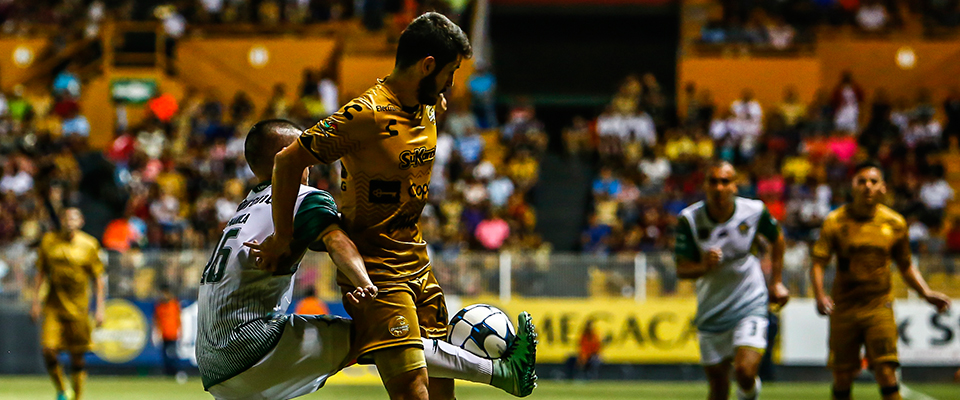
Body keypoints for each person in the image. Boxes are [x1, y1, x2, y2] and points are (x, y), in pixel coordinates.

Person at [248, 13, 495, 400]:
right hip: (377, 269)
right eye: (450, 72)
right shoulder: (366, 114)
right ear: (427, 66)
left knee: (444, 394)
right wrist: (283, 235)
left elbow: (429, 104)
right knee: (413, 392)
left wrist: (436, 96)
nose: (451, 83)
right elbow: (287, 161)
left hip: (418, 261)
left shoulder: (425, 102)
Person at [199, 120, 537, 400]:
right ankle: (502, 373)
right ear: (284, 158)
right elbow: (336, 241)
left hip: (212, 367)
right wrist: (365, 282)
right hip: (249, 347)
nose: (310, 159)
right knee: (387, 336)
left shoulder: (242, 209)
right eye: (300, 150)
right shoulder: (300, 197)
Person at [810, 161, 951, 400]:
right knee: (843, 375)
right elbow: (818, 262)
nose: (867, 186)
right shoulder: (835, 221)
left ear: (883, 188)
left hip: (879, 307)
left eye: (873, 182)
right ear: (852, 186)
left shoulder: (895, 223)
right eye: (861, 181)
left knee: (886, 372)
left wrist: (925, 293)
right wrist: (820, 295)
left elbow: (906, 265)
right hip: (844, 308)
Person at [675, 161, 789, 400]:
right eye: (713, 181)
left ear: (735, 186)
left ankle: (749, 391)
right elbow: (682, 270)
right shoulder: (689, 220)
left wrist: (776, 281)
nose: (719, 187)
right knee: (718, 388)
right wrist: (704, 266)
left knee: (744, 371)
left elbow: (777, 240)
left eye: (725, 181)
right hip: (711, 309)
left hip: (750, 302)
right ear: (705, 186)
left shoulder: (755, 211)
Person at [30, 208, 106, 400]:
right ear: (61, 220)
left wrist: (100, 308)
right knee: (48, 349)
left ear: (81, 221)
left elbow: (97, 278)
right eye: (66, 217)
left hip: (79, 308)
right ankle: (62, 390)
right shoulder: (48, 242)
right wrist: (35, 301)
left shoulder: (89, 244)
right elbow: (40, 273)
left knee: (77, 355)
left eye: (74, 218)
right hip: (54, 306)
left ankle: (77, 397)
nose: (69, 221)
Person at [154, 284, 182, 378]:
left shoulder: (174, 304)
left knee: (173, 354)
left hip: (173, 334)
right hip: (163, 334)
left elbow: (178, 319)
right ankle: (167, 373)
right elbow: (156, 320)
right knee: (164, 356)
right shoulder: (159, 306)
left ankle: (175, 372)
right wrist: (156, 333)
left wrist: (180, 331)